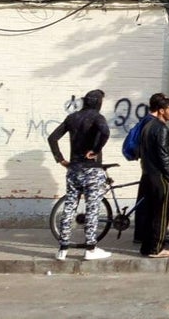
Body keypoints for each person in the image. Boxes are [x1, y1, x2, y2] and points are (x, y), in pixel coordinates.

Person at [48, 88, 112, 261]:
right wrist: (95, 150)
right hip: (91, 169)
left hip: (73, 169)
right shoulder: (98, 118)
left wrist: (60, 159)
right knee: (92, 207)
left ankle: (62, 248)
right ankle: (90, 248)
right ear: (98, 103)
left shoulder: (72, 118)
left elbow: (52, 138)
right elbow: (105, 132)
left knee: (69, 206)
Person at [138, 95, 169, 258]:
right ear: (162, 111)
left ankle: (147, 246)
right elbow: (163, 155)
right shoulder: (161, 128)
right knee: (161, 214)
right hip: (159, 176)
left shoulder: (147, 125)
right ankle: (156, 248)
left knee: (150, 212)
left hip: (148, 174)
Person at [133, 92, 166, 247]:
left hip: (146, 165)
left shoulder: (146, 120)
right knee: (150, 201)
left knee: (145, 200)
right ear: (161, 107)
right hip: (152, 167)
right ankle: (146, 233)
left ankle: (143, 232)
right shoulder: (153, 123)